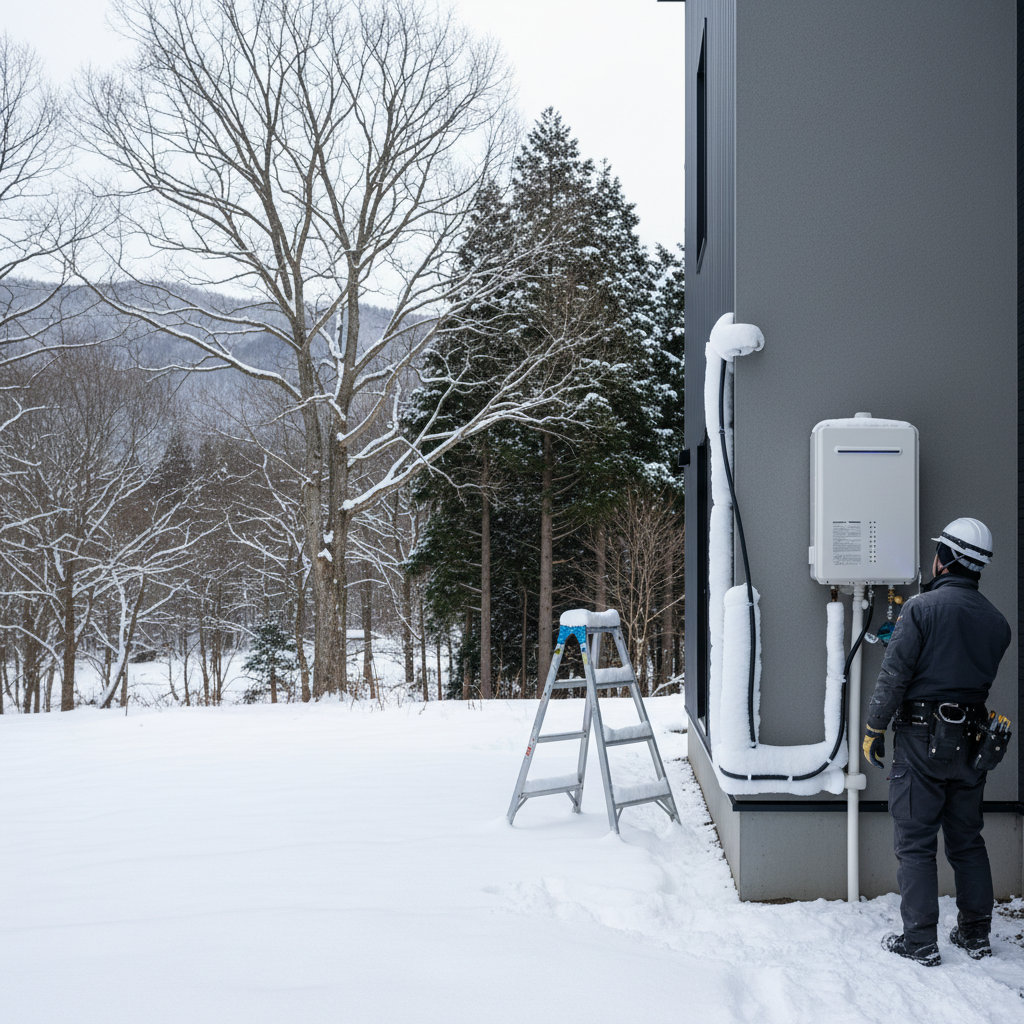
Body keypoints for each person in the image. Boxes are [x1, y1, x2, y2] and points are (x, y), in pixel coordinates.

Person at [862, 518, 1011, 967]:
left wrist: (874, 728)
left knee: (915, 841)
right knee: (967, 840)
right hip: (973, 741)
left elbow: (895, 676)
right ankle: (975, 935)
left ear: (944, 558)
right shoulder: (998, 623)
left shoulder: (920, 609)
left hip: (921, 737)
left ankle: (920, 941)